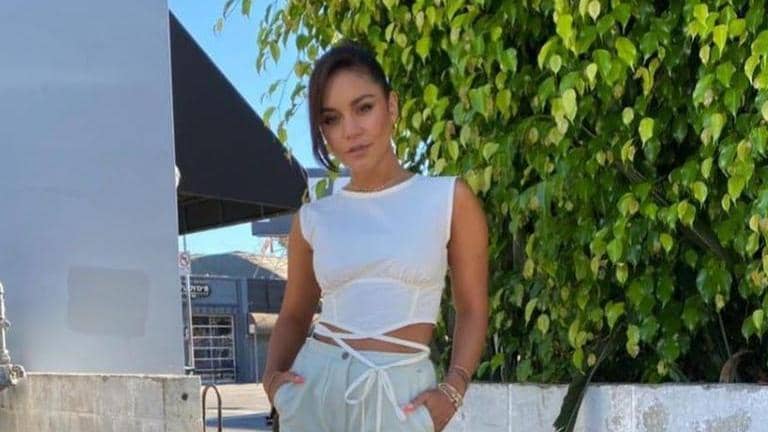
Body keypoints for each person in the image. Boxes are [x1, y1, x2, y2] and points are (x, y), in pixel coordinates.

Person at [262, 41, 489, 432]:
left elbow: (472, 307)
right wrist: (272, 382)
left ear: (392, 106)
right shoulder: (313, 218)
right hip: (315, 391)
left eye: (363, 108)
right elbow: (294, 315)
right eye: (332, 118)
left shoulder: (448, 198)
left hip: (400, 395)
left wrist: (454, 388)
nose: (351, 130)